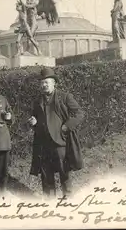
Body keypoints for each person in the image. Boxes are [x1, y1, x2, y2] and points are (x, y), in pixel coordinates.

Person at [25, 68, 84, 198]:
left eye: (46, 82)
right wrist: (33, 122)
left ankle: (68, 202)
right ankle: (50, 206)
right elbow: (36, 119)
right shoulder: (37, 101)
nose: (44, 85)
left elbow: (79, 114)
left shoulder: (65, 97)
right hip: (43, 145)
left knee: (65, 175)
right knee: (46, 177)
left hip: (60, 143)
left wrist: (66, 127)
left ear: (53, 83)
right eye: (41, 83)